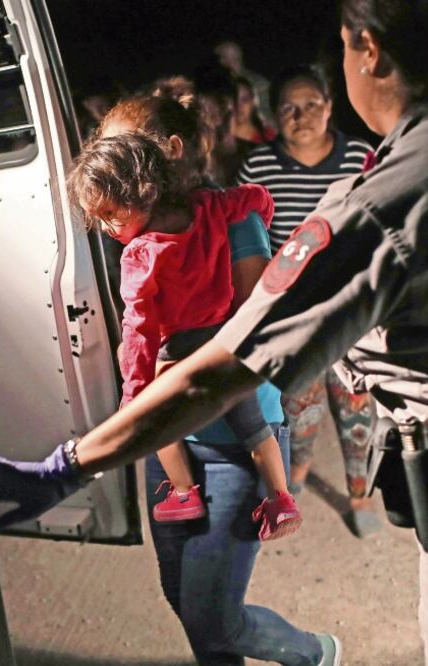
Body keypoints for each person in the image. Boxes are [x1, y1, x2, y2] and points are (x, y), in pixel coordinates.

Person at [0, 0, 428, 663]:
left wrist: (67, 466)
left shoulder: (385, 201)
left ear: (369, 49)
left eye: (341, 48)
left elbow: (221, 371)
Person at [85, 94, 342, 664]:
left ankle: (311, 653)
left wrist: (171, 365)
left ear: (170, 152)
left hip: (235, 440)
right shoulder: (135, 238)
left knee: (212, 621)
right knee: (183, 599)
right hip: (170, 435)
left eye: (128, 148)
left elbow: (251, 328)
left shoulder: (233, 217)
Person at [67, 132, 301, 537]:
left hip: (178, 351)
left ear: (139, 191)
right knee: (255, 428)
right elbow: (251, 197)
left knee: (159, 423)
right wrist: (263, 212)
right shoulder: (208, 208)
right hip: (225, 346)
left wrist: (134, 394)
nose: (106, 228)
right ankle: (280, 498)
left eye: (110, 214)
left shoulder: (140, 255)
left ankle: (182, 492)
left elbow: (139, 330)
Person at [236, 64, 381, 538]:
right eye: (289, 108)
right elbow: (250, 240)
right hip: (292, 314)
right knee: (299, 407)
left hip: (352, 308)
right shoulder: (257, 166)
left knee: (357, 406)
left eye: (311, 105)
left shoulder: (361, 156)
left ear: (329, 107)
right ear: (274, 115)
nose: (302, 116)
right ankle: (295, 479)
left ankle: (359, 496)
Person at [216, 40, 273, 126]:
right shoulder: (211, 87)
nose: (229, 63)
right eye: (224, 58)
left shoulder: (259, 84)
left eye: (235, 59)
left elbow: (269, 118)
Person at [233, 75, 277, 145]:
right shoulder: (219, 139)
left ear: (253, 102)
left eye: (244, 100)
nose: (239, 106)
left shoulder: (269, 136)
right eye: (234, 100)